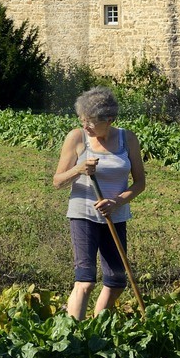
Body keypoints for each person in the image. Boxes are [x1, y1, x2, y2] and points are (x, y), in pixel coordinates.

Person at [52, 87, 146, 319]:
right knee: (85, 282)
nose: (86, 126)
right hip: (83, 215)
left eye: (91, 122)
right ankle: (74, 333)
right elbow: (57, 182)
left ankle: (97, 326)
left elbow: (140, 183)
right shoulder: (77, 137)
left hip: (116, 216)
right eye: (82, 120)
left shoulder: (127, 138)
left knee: (116, 281)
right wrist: (79, 169)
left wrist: (116, 202)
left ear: (109, 120)